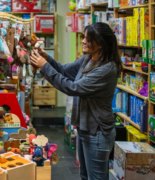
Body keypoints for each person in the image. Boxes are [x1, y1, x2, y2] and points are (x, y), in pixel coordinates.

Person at [30, 22, 122, 180]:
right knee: (85, 176)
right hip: (85, 128)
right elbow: (65, 70)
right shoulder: (88, 59)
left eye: (88, 38)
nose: (83, 41)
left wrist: (44, 67)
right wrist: (47, 59)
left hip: (97, 132)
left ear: (100, 43)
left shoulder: (107, 69)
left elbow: (72, 87)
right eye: (84, 37)